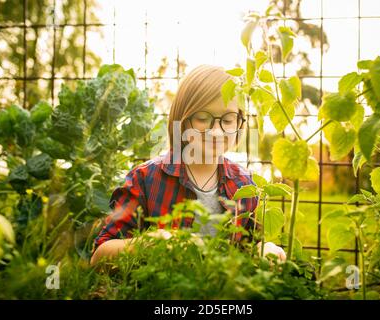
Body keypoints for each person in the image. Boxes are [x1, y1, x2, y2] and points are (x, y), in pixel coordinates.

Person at [90, 64, 286, 266]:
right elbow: (98, 258)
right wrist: (152, 242)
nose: (216, 132)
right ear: (182, 120)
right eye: (203, 118)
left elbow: (249, 248)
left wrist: (266, 249)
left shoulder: (244, 184)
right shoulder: (147, 179)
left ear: (239, 123)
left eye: (228, 120)